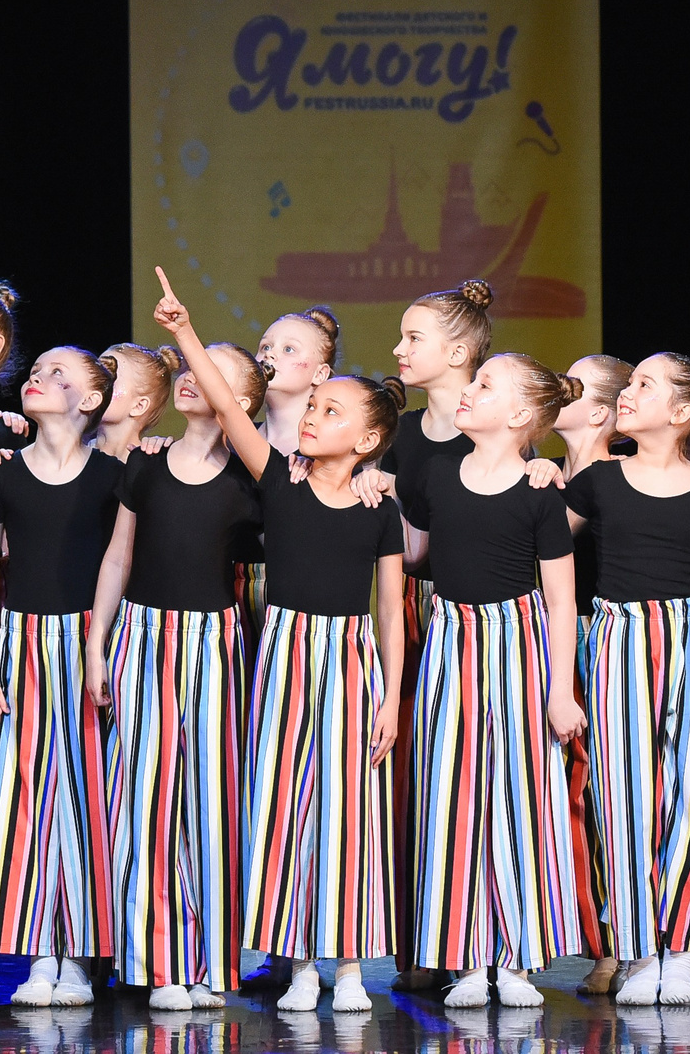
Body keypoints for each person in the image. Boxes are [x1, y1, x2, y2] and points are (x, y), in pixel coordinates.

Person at [155, 272, 405, 1013]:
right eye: (313, 408)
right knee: (286, 806)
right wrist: (184, 333)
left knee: (350, 811)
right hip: (287, 656)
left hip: (352, 662)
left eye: (330, 411)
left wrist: (391, 695)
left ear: (367, 440)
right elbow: (232, 407)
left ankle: (350, 966)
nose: (312, 418)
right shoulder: (281, 483)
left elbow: (390, 610)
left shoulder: (378, 508)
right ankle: (298, 963)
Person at [85, 293, 265, 1011]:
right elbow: (117, 559)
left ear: (240, 401)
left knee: (209, 798)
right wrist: (97, 646)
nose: (192, 377)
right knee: (145, 796)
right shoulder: (145, 467)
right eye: (189, 367)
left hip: (213, 642)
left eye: (212, 371)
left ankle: (208, 960)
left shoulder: (250, 481)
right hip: (143, 634)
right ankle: (156, 959)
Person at [398, 352, 586, 1009]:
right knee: (451, 794)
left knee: (519, 797)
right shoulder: (435, 473)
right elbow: (413, 553)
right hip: (451, 638)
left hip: (516, 640)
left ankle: (517, 958)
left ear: (520, 414)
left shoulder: (540, 491)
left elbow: (561, 599)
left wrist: (559, 689)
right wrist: (369, 492)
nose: (469, 391)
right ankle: (467, 958)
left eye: (485, 385)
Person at [566, 353, 690, 1006]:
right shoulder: (599, 481)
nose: (629, 392)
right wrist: (535, 472)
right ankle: (640, 951)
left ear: (680, 412)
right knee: (625, 802)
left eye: (644, 385)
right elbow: (541, 539)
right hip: (619, 639)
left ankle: (679, 952)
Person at [0, 347, 124, 1006]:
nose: (39, 378)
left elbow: (119, 563)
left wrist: (99, 647)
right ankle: (36, 954)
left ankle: (79, 955)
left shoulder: (113, 477)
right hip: (23, 641)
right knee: (26, 796)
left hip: (87, 642)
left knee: (86, 797)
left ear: (91, 400)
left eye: (61, 375)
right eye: (37, 370)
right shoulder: (4, 474)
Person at [360, 279, 494, 989]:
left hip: (483, 619)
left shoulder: (496, 428)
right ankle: (422, 943)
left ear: (460, 351)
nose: (398, 349)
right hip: (409, 613)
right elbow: (400, 544)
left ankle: (485, 941)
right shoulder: (404, 436)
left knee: (477, 776)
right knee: (412, 781)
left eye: (414, 338)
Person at [548, 353, 632, 995]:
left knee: (606, 790)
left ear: (601, 412)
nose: (557, 391)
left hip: (600, 639)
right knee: (569, 794)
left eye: (571, 387)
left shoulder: (617, 479)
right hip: (548, 637)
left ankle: (619, 942)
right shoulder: (547, 472)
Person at [231, 306, 341, 704]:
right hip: (228, 599)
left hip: (296, 604)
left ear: (320, 374)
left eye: (289, 349)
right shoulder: (231, 443)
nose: (270, 355)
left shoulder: (331, 455)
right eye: (265, 347)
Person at [95, 343, 180, 461]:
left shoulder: (151, 464)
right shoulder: (76, 453)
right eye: (96, 375)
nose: (96, 385)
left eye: (109, 379)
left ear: (139, 406)